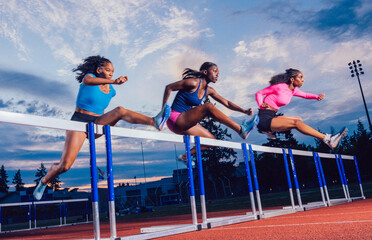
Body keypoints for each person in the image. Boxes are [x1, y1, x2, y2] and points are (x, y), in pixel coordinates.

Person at [33, 55, 170, 200]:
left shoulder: (111, 91)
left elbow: (102, 110)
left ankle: (154, 121)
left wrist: (104, 123)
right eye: (108, 70)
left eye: (113, 71)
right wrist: (114, 81)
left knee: (120, 111)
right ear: (99, 70)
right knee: (65, 166)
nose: (111, 73)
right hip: (79, 122)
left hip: (97, 123)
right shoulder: (90, 78)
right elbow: (88, 81)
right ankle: (43, 182)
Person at [162, 62, 259, 163]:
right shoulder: (193, 82)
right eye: (214, 71)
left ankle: (185, 156)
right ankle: (240, 129)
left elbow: (227, 103)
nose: (217, 74)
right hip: (175, 119)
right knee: (208, 107)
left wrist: (244, 111)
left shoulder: (209, 90)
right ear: (205, 72)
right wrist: (163, 110)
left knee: (211, 141)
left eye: (218, 73)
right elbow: (168, 87)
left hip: (184, 123)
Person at [255, 68, 347, 148]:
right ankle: (327, 139)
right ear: (292, 79)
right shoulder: (279, 87)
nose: (302, 80)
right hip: (264, 118)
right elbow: (259, 93)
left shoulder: (293, 91)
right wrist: (260, 104)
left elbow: (305, 95)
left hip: (272, 116)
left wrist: (317, 96)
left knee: (299, 119)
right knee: (296, 123)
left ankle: (268, 130)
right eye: (300, 77)